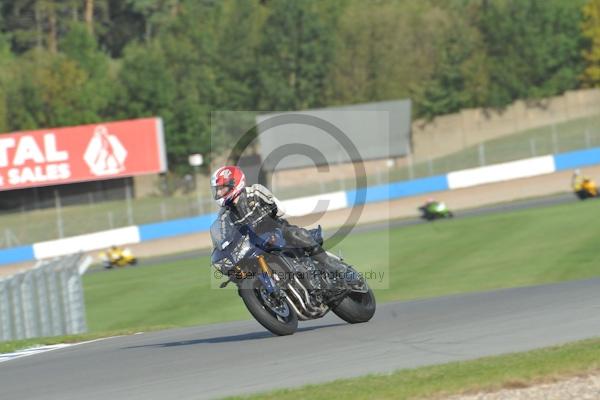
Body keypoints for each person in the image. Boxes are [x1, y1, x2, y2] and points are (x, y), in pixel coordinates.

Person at [210, 165, 359, 285]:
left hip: (276, 229)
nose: (220, 192)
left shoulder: (254, 192)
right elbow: (224, 236)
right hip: (255, 244)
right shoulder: (225, 215)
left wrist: (270, 211)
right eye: (218, 190)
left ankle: (333, 266)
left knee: (295, 234)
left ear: (234, 183)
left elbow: (279, 208)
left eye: (222, 188)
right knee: (242, 273)